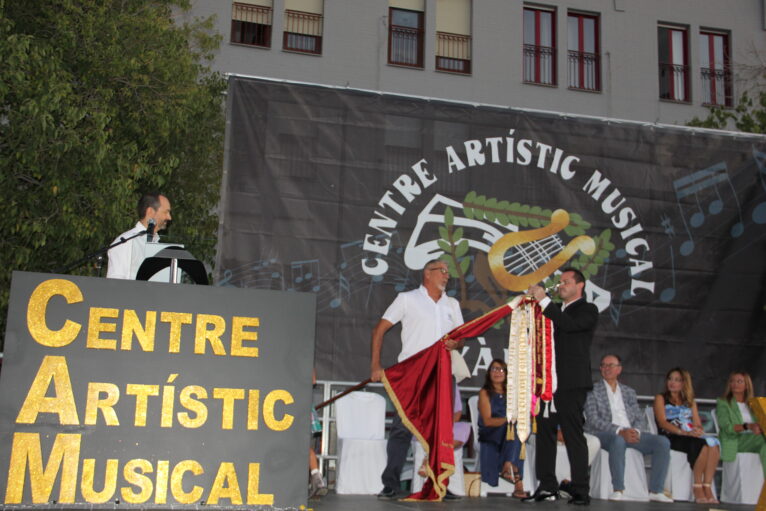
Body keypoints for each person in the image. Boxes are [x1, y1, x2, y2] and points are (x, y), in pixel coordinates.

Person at [370, 259, 464, 500]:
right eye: (441, 271)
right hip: (412, 373)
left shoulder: (452, 304)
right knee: (402, 429)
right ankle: (390, 483)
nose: (446, 275)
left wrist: (457, 343)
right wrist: (375, 365)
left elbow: (460, 337)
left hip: (443, 374)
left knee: (441, 430)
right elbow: (380, 329)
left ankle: (439, 483)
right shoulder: (407, 299)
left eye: (447, 272)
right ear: (427, 274)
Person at [525, 267, 598, 505]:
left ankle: (580, 489)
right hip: (548, 382)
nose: (561, 285)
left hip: (571, 383)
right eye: (560, 281)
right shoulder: (552, 311)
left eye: (566, 281)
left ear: (580, 286)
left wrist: (545, 301)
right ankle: (547, 485)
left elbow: (569, 325)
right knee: (544, 433)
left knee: (572, 435)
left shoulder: (588, 310)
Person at [584, 354, 673, 502]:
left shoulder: (629, 392)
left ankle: (656, 490)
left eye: (610, 365)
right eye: (603, 365)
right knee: (618, 441)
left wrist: (636, 431)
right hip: (605, 433)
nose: (606, 368)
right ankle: (618, 489)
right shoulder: (592, 390)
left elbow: (638, 418)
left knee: (662, 442)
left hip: (629, 433)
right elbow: (593, 420)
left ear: (619, 369)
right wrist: (620, 431)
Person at [654, 367, 720, 504]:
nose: (672, 382)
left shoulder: (690, 401)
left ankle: (706, 486)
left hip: (688, 435)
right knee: (702, 445)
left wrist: (697, 430)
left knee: (713, 444)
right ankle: (697, 487)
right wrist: (683, 432)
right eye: (670, 379)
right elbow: (662, 422)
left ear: (684, 383)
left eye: (677, 380)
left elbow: (697, 424)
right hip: (671, 435)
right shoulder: (661, 398)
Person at [478, 358, 529, 498]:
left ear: (507, 373)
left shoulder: (512, 393)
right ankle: (517, 482)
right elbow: (487, 421)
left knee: (518, 432)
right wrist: (508, 421)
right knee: (514, 429)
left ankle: (508, 464)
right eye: (494, 369)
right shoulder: (485, 393)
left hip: (508, 433)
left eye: (501, 369)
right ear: (489, 373)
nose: (497, 372)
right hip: (490, 432)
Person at [106, 193, 172, 279]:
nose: (169, 217)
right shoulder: (126, 242)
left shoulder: (157, 244)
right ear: (150, 212)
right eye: (166, 212)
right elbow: (115, 283)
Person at [715, 371, 766, 476]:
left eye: (739, 381)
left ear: (747, 385)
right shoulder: (723, 402)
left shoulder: (753, 404)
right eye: (732, 381)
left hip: (753, 440)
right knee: (763, 439)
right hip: (734, 440)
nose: (735, 384)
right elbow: (726, 427)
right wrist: (748, 426)